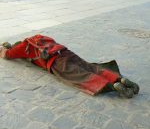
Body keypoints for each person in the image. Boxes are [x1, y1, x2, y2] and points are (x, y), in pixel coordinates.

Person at [0, 34, 139, 98]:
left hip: (56, 62)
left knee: (82, 76)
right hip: (66, 52)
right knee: (91, 67)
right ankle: (119, 79)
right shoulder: (38, 37)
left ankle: (113, 87)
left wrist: (2, 48)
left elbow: (7, 54)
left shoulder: (23, 47)